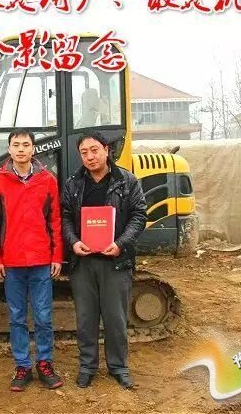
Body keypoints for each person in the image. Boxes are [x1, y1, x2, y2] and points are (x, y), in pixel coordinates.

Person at [61, 130, 147, 390]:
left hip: (115, 262)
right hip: (83, 263)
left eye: (94, 150)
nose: (90, 157)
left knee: (115, 319)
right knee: (86, 318)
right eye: (84, 152)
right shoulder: (74, 183)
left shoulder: (127, 181)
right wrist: (73, 241)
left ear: (106, 150)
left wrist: (121, 244)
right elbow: (65, 216)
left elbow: (139, 216)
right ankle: (87, 366)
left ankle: (118, 366)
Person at [0, 129, 64, 392]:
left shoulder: (47, 180)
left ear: (33, 149)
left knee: (43, 316)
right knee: (17, 317)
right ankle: (22, 366)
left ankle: (45, 363)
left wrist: (57, 255)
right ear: (9, 149)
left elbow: (55, 220)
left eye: (25, 144)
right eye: (16, 145)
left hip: (41, 261)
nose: (21, 149)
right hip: (12, 263)